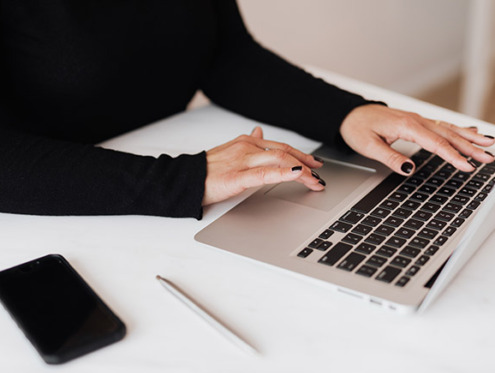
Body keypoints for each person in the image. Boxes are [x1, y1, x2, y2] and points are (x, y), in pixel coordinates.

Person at [0, 0, 493, 219]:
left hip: (158, 179)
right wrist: (186, 181)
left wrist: (348, 114)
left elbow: (222, 54)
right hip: (49, 207)